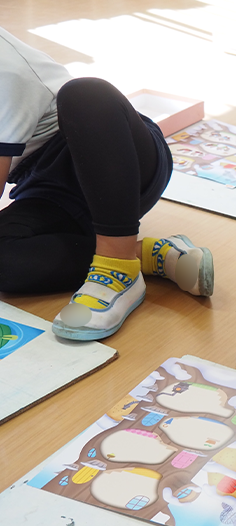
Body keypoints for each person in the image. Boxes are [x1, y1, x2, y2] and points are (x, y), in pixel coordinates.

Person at [0, 27, 214, 341]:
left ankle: (118, 266)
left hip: (117, 159)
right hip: (46, 189)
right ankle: (144, 255)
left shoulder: (6, 67)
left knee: (85, 93)